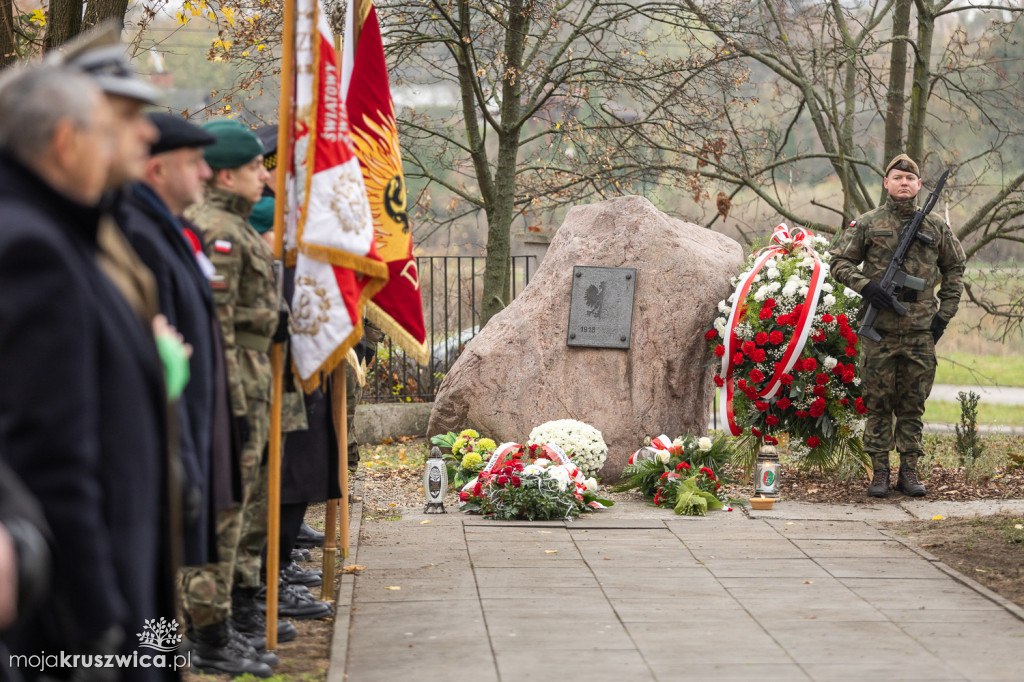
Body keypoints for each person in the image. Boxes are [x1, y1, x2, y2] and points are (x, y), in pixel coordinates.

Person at [0, 64, 175, 682]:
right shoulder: (32, 249)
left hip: (128, 570)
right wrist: (98, 631)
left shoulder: (62, 234)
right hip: (93, 604)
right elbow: (53, 455)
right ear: (65, 143)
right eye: (110, 129)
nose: (138, 140)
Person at [184, 119, 293, 676]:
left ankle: (232, 619)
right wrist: (227, 403)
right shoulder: (218, 230)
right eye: (255, 166)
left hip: (249, 382)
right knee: (225, 515)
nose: (264, 175)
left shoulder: (231, 223)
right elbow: (217, 324)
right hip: (234, 388)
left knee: (245, 510)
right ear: (226, 172)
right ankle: (210, 636)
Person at [829, 154, 966, 499]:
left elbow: (955, 269)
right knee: (877, 404)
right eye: (897, 177)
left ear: (919, 186)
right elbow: (838, 262)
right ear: (887, 183)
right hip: (881, 333)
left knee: (912, 404)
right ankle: (879, 472)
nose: (904, 182)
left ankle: (909, 471)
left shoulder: (935, 227)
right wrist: (867, 287)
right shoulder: (868, 223)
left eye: (910, 178)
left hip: (921, 331)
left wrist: (943, 316)